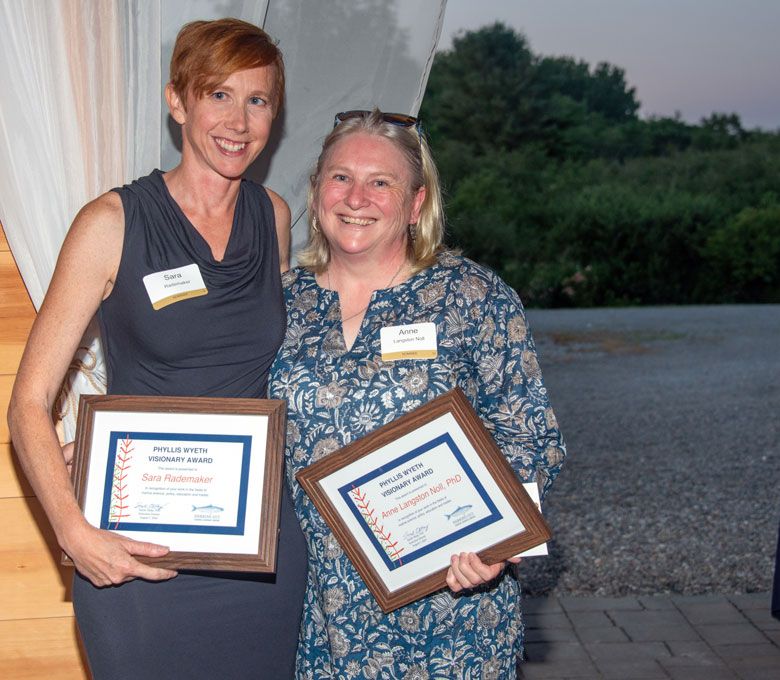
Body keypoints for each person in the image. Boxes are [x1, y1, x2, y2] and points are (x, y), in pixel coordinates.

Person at [7, 18, 307, 679]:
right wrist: (71, 529)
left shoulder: (275, 218)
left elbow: (275, 373)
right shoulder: (111, 222)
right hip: (137, 549)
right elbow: (26, 403)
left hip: (257, 548)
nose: (239, 120)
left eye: (258, 100)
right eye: (218, 95)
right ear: (178, 101)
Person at [269, 109, 566, 678]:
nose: (357, 196)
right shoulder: (278, 304)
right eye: (340, 177)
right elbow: (224, 405)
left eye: (381, 182)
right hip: (317, 617)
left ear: (416, 203)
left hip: (449, 613)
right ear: (315, 192)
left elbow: (532, 436)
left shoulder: (473, 295)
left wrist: (497, 542)